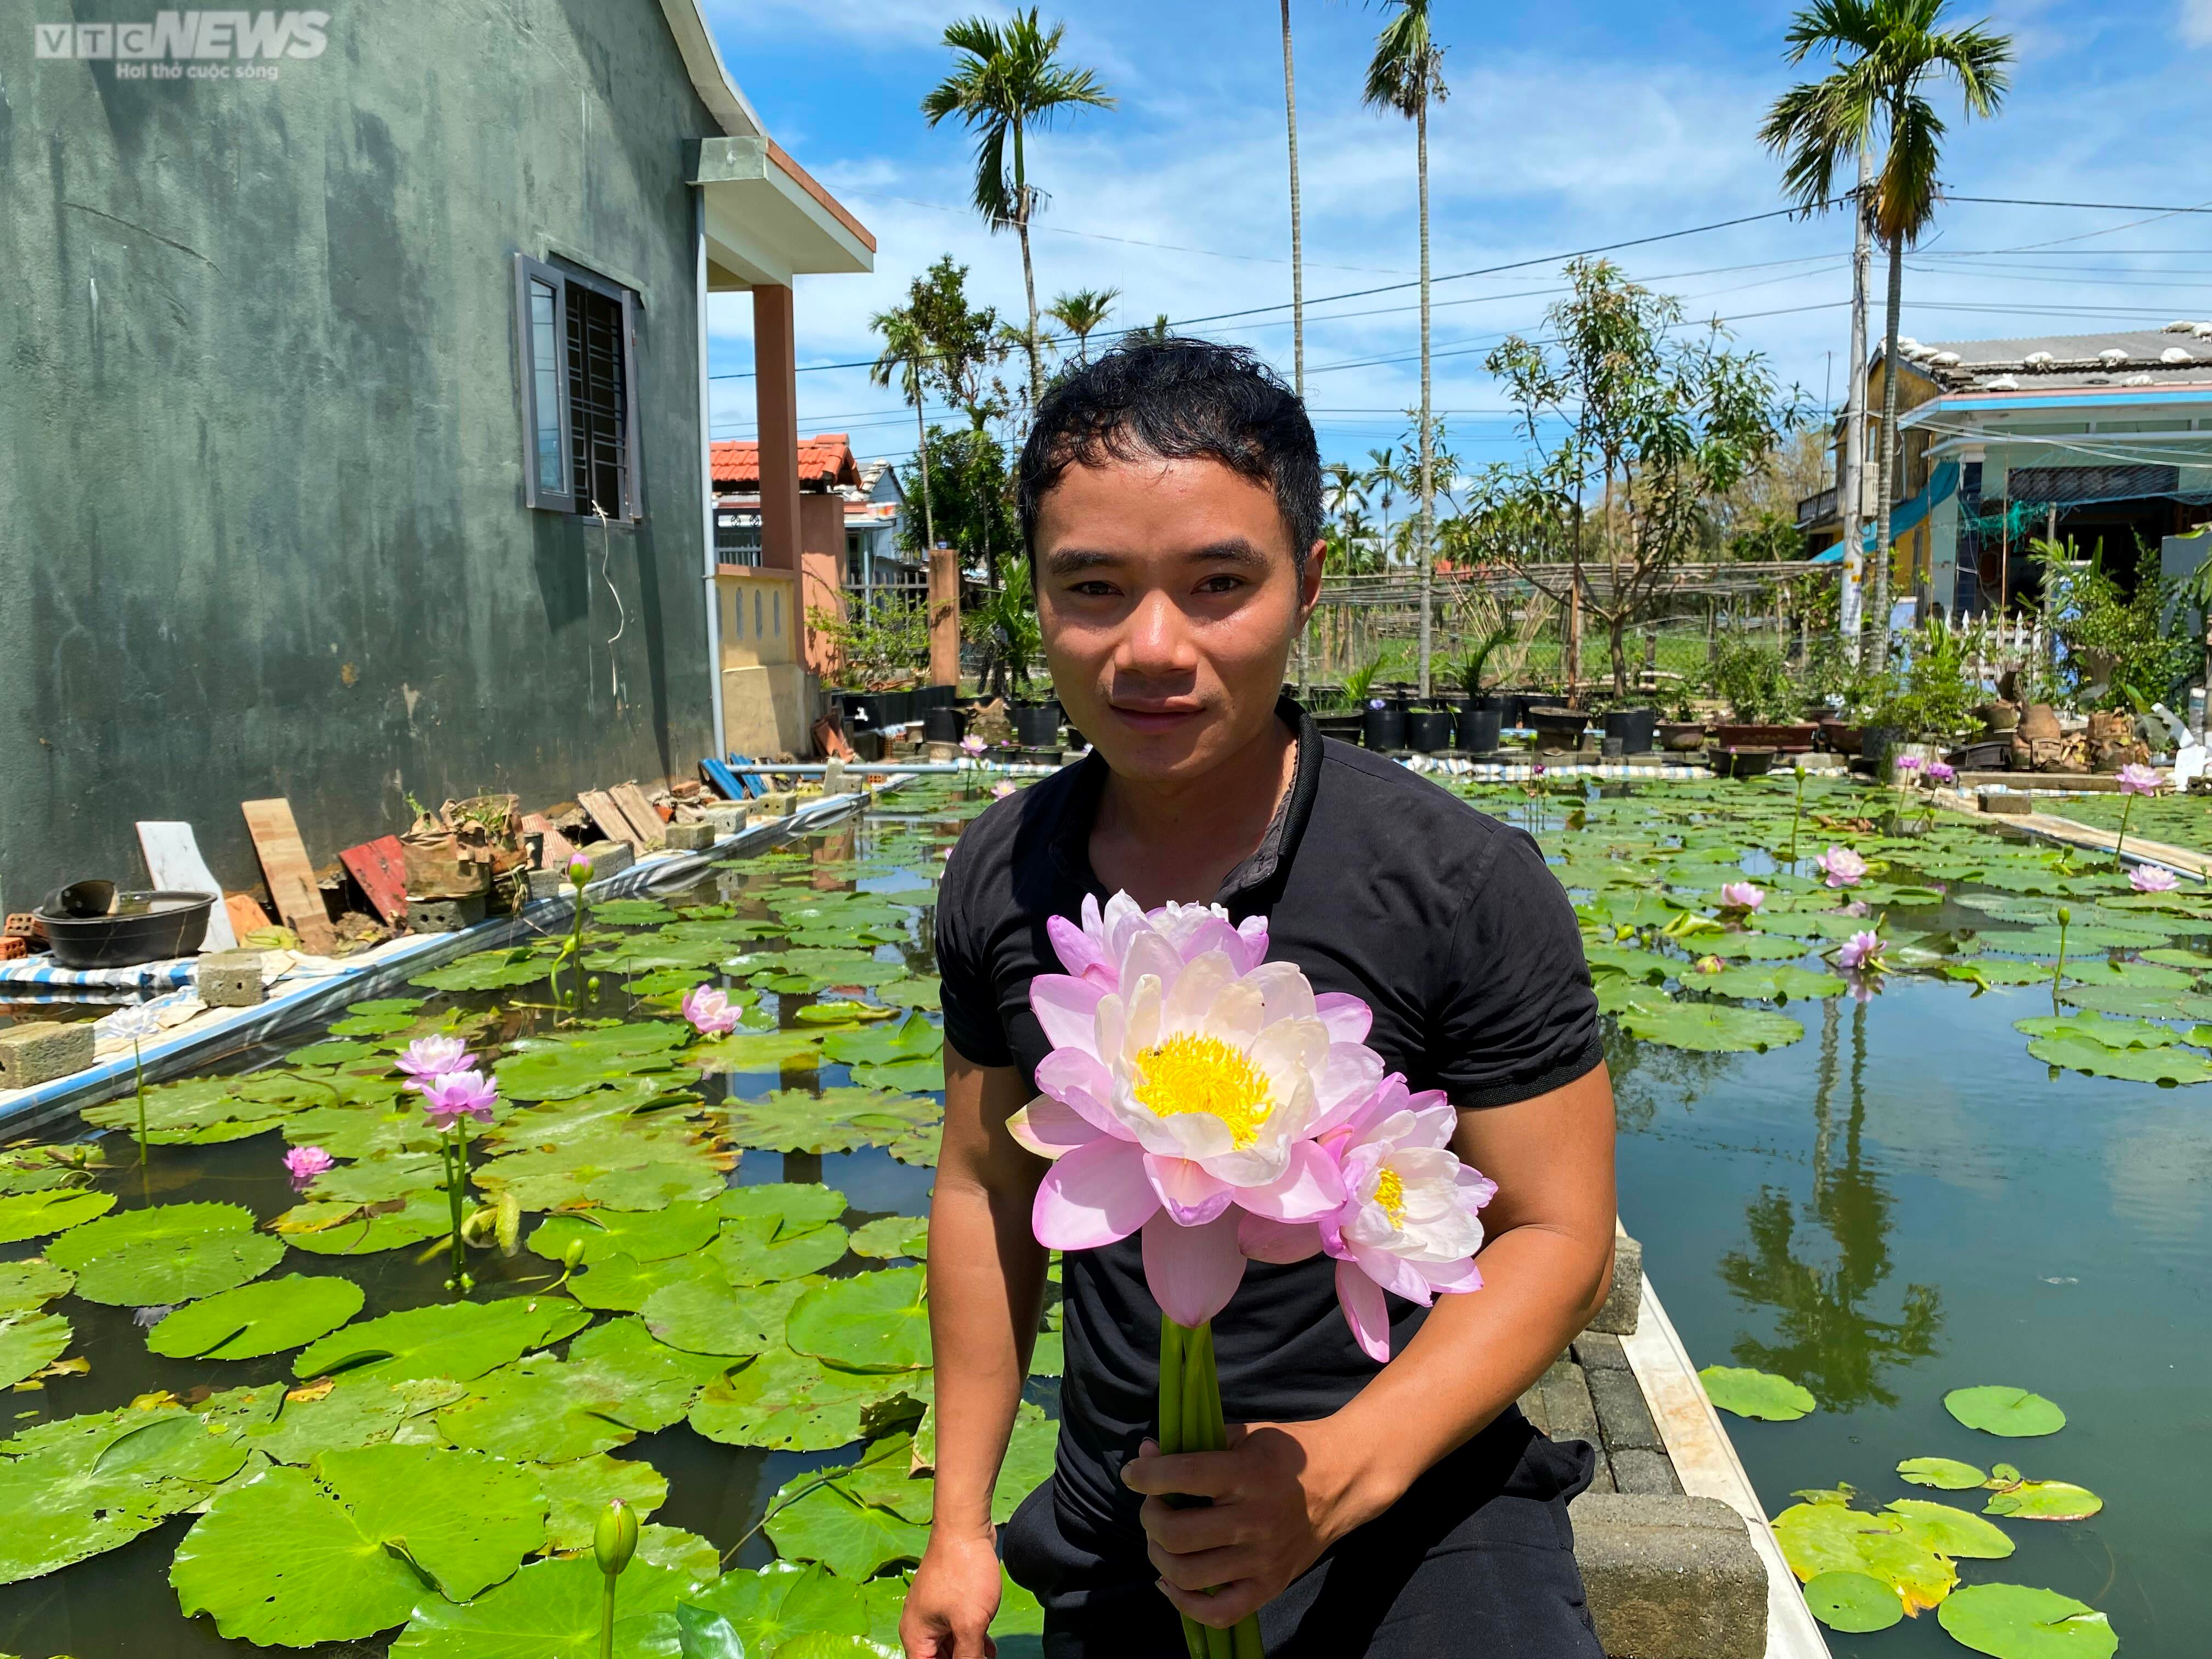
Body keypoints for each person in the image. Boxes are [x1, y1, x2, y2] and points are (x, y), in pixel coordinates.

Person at [902, 338, 1617, 1659]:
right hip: (1125, 1512)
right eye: (1094, 589)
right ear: (1038, 603)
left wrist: (1342, 1471)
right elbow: (984, 1188)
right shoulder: (1003, 871)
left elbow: (1559, 1237)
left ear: (1307, 588)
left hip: (1418, 1500)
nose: (1150, 649)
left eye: (1218, 584)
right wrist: (958, 1524)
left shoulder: (1461, 884)